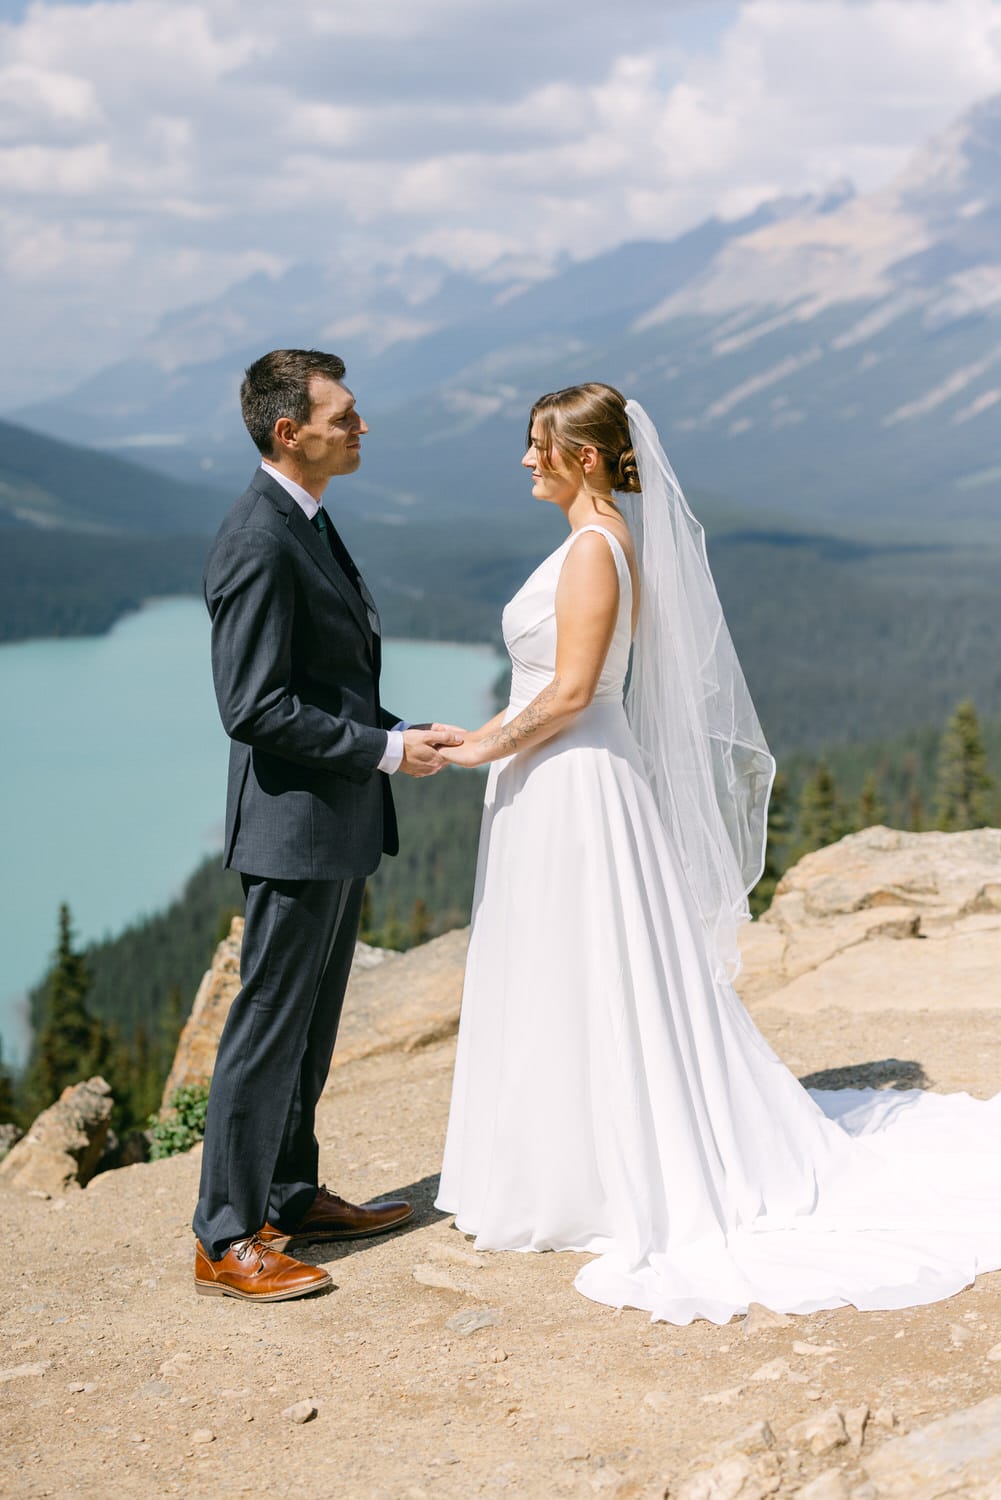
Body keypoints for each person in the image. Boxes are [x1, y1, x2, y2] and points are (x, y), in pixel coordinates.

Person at [434, 381, 1001, 1325]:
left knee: (581, 966)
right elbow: (551, 684)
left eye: (538, 445)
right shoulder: (605, 545)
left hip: (574, 781)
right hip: (557, 774)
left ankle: (587, 1172)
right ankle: (564, 1160)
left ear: (582, 458)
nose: (525, 461)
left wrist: (484, 750)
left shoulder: (591, 551)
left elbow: (574, 693)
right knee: (569, 968)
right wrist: (473, 739)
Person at [193, 348, 462, 1303]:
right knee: (266, 1029)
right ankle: (226, 1238)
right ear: (288, 432)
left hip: (331, 821)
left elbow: (328, 686)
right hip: (293, 827)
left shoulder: (306, 519)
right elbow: (254, 708)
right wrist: (383, 754)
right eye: (343, 415)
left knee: (308, 1028)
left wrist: (396, 730)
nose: (359, 427)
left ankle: (292, 1196)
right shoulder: (258, 538)